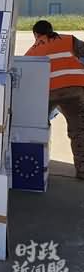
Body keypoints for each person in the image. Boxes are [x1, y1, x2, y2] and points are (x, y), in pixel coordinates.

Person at [25, 20, 84, 180]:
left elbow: (27, 77)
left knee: (38, 126)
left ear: (36, 34)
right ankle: (82, 170)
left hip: (49, 93)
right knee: (79, 131)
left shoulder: (33, 51)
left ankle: (36, 164)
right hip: (75, 90)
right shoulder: (69, 40)